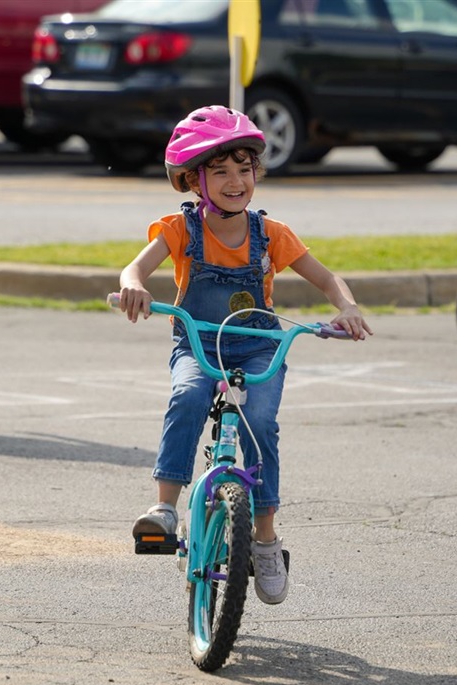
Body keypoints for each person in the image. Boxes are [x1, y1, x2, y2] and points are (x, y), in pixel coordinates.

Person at [114, 105, 372, 605]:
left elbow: (325, 277)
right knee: (187, 395)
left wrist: (346, 306)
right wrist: (134, 288)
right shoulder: (180, 229)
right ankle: (166, 508)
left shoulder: (270, 234)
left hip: (259, 348)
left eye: (244, 169)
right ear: (193, 179)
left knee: (260, 422)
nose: (236, 181)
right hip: (198, 344)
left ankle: (266, 540)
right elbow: (133, 271)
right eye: (221, 171)